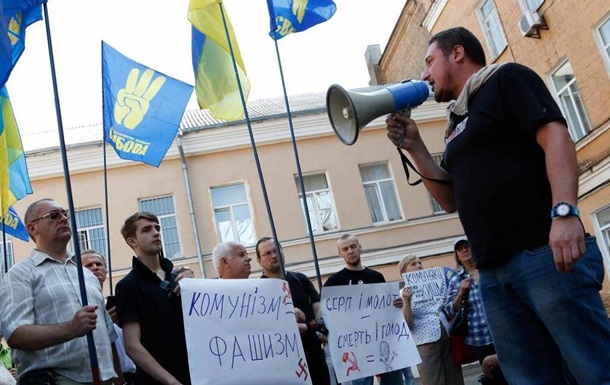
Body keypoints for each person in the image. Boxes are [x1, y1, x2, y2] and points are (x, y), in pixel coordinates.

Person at [385, 26, 610, 384]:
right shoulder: (456, 122)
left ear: (457, 54)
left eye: (429, 62)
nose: (425, 74)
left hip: (542, 253)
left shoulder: (507, 79)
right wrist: (415, 147)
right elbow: (449, 200)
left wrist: (565, 211)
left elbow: (556, 137)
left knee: (593, 366)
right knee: (529, 378)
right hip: (493, 274)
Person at [0, 198, 120, 383]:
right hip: (58, 379)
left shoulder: (86, 275)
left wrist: (120, 380)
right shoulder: (21, 274)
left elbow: (108, 335)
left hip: (105, 378)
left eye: (65, 214)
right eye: (54, 215)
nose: (64, 218)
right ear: (32, 228)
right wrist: (71, 329)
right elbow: (15, 334)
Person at [115, 212, 194, 385]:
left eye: (157, 228)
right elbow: (132, 346)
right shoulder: (127, 286)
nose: (156, 232)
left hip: (197, 375)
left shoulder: (180, 278)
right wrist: (172, 382)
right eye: (146, 230)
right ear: (132, 241)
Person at [323, 234, 403, 385]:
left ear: (360, 247)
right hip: (356, 349)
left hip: (383, 342)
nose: (350, 251)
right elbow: (327, 315)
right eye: (345, 249)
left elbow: (386, 309)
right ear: (339, 253)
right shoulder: (334, 282)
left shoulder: (376, 277)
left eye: (353, 246)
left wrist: (396, 304)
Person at [255, 237, 330, 385]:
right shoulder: (257, 289)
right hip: (283, 359)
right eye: (268, 253)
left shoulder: (301, 279)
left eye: (277, 250)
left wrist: (317, 328)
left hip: (313, 353)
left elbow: (319, 311)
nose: (274, 255)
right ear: (259, 260)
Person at [399, 255, 463, 385]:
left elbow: (447, 308)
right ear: (404, 272)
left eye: (419, 263)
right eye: (413, 264)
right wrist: (407, 302)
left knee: (454, 379)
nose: (419, 266)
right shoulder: (402, 294)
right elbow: (406, 324)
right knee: (433, 380)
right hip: (425, 341)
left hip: (447, 335)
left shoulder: (437, 286)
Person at [82, 250, 137, 385]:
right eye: (88, 265)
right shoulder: (82, 308)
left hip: (133, 375)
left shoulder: (119, 303)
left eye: (98, 264)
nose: (95, 267)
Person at [443, 240, 495, 363]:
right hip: (478, 336)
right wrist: (461, 292)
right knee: (492, 374)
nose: (464, 250)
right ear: (458, 257)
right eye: (460, 249)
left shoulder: (488, 270)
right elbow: (449, 310)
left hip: (501, 330)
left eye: (467, 247)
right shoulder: (456, 280)